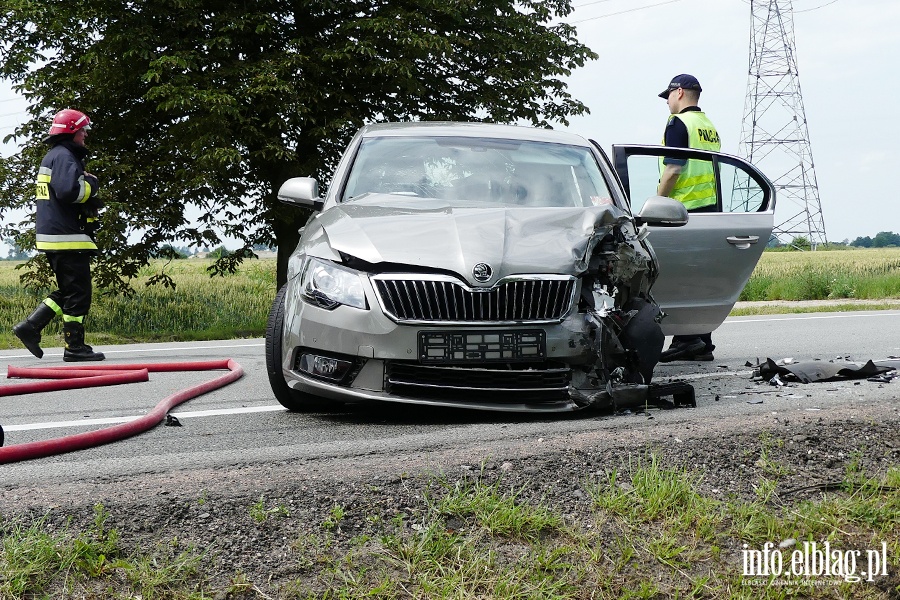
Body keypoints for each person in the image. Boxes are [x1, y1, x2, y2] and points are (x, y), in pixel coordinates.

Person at [12, 108, 105, 361]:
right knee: (78, 293)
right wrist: (91, 184)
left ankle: (31, 327)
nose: (86, 134)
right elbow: (68, 192)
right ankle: (74, 347)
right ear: (72, 131)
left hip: (59, 237)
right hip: (67, 237)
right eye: (83, 129)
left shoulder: (55, 155)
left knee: (71, 290)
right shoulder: (64, 156)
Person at [655, 74, 720, 363]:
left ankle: (687, 339)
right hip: (711, 210)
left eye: (667, 95)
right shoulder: (708, 126)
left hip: (683, 210)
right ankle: (700, 341)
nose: (667, 102)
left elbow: (674, 168)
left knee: (680, 277)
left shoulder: (678, 123)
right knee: (701, 277)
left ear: (679, 92)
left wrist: (658, 202)